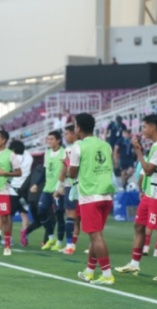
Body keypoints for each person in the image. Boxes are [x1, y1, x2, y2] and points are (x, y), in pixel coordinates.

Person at [115, 114, 157, 281]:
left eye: (144, 127)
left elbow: (148, 170)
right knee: (139, 226)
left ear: (153, 127)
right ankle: (134, 264)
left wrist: (138, 151)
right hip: (150, 193)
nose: (143, 130)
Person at [70, 113, 116, 285]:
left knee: (95, 236)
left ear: (78, 128)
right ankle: (89, 271)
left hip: (90, 195)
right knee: (96, 235)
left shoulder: (78, 146)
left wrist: (68, 164)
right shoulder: (106, 145)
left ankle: (107, 274)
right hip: (106, 195)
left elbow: (72, 173)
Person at [23, 131, 66, 250]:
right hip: (47, 188)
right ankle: (51, 237)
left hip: (58, 189)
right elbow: (45, 171)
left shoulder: (64, 152)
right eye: (48, 139)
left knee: (59, 215)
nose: (49, 141)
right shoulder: (47, 153)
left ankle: (59, 242)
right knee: (41, 211)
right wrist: (36, 183)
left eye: (52, 139)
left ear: (58, 140)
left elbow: (65, 170)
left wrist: (60, 186)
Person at [54, 125, 81, 254]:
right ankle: (73, 245)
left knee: (70, 215)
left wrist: (58, 187)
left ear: (74, 133)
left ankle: (70, 245)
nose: (65, 137)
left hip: (72, 185)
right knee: (79, 217)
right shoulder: (85, 146)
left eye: (67, 134)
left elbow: (64, 170)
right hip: (86, 185)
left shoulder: (70, 149)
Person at [8, 139, 33, 240]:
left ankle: (9, 237)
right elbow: (25, 151)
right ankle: (24, 234)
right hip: (25, 190)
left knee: (9, 215)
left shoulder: (11, 158)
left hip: (13, 190)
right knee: (24, 214)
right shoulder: (29, 157)